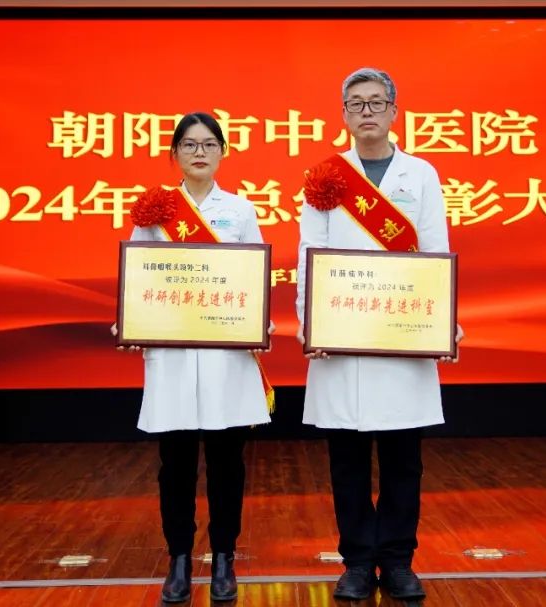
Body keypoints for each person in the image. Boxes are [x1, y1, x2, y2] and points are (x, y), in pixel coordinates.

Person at [295, 68, 463, 601]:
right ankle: (356, 563)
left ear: (394, 111)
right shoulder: (326, 176)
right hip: (341, 335)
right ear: (343, 114)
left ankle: (397, 561)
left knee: (402, 460)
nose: (366, 111)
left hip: (402, 335)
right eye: (356, 103)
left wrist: (442, 323)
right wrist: (310, 323)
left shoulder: (421, 173)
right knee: (346, 460)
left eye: (375, 102)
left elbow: (435, 250)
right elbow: (309, 254)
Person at [111, 112, 272, 603]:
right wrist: (129, 321)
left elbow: (254, 278)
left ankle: (224, 557)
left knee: (227, 464)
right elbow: (139, 277)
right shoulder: (155, 209)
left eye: (208, 144)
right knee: (175, 465)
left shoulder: (240, 210)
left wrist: (257, 320)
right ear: (175, 153)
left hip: (226, 353)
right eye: (189, 144)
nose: (199, 152)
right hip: (175, 353)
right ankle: (178, 559)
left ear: (222, 152)